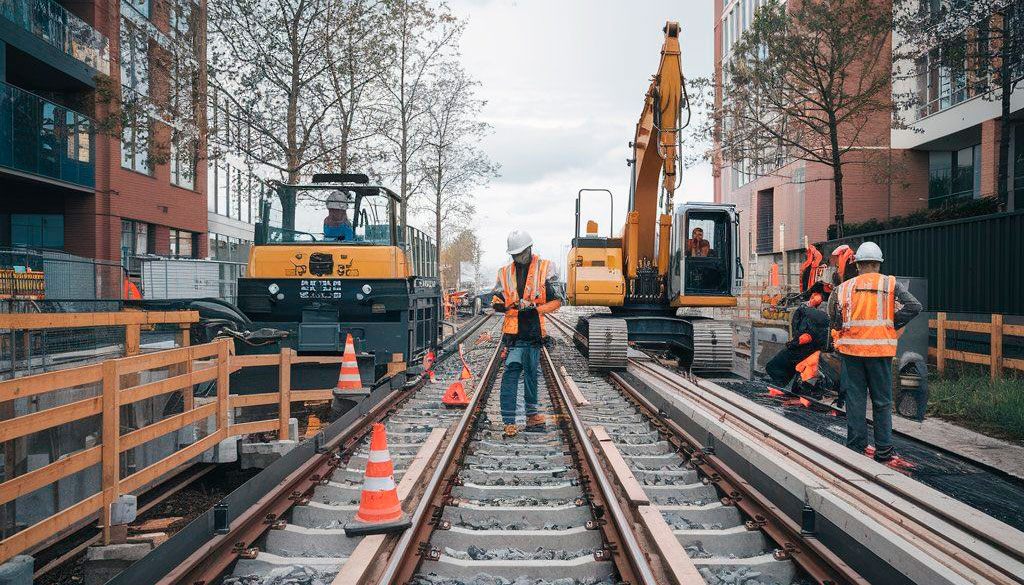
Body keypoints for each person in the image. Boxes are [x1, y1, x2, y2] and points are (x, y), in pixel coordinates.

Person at [827, 241, 921, 463]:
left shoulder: (844, 288)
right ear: (878, 264)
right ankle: (884, 451)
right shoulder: (890, 285)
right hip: (880, 352)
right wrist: (891, 323)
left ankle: (856, 446)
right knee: (882, 402)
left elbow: (833, 319)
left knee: (856, 400)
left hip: (852, 353)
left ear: (858, 264)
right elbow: (915, 307)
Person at [491, 229, 564, 438]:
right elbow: (496, 300)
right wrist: (505, 305)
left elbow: (558, 300)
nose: (517, 258)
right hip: (513, 335)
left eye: (520, 254)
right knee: (511, 371)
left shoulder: (546, 268)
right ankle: (509, 420)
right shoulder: (504, 272)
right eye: (513, 255)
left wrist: (534, 308)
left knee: (532, 375)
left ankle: (532, 417)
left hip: (533, 332)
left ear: (529, 249)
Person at [765, 293, 828, 385]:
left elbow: (806, 335)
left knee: (773, 366)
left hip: (804, 347)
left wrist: (794, 343)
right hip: (807, 347)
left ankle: (782, 384)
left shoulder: (810, 314)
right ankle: (783, 384)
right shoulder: (814, 316)